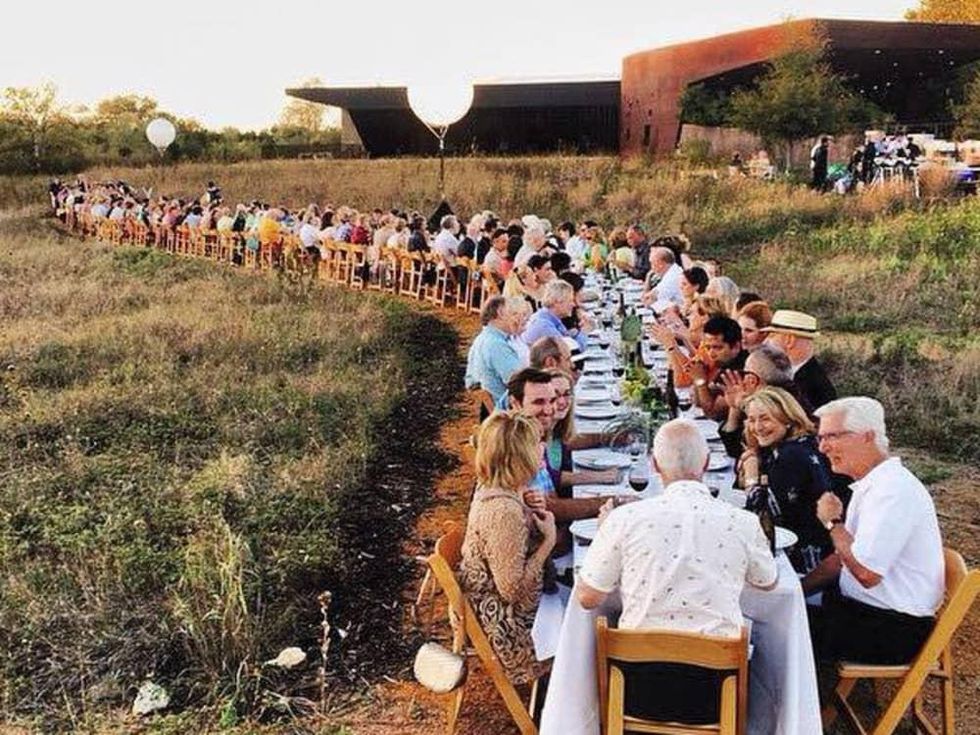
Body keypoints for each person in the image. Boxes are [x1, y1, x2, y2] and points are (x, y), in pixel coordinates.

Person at [577, 419, 777, 724]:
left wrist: (605, 536)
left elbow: (588, 598)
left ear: (655, 465)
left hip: (637, 690)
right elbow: (768, 581)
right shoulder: (742, 521)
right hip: (714, 692)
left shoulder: (625, 519)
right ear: (707, 463)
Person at [804, 397, 944, 666]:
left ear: (867, 436)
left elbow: (866, 574)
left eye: (831, 436)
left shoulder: (893, 491)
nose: (822, 447)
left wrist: (833, 523)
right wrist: (798, 590)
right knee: (782, 615)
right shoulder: (872, 482)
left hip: (891, 628)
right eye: (820, 438)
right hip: (864, 611)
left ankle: (791, 706)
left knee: (774, 632)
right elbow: (842, 558)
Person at [458, 410, 556, 686]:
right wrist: (547, 542)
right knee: (584, 624)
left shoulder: (498, 488)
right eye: (536, 444)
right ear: (518, 458)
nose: (542, 449)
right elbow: (511, 591)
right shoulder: (502, 511)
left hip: (496, 606)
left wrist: (528, 508)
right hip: (506, 625)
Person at [738, 387, 835, 575]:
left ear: (788, 419)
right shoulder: (801, 443)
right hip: (810, 547)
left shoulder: (790, 456)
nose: (757, 427)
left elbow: (758, 515)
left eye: (765, 418)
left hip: (805, 564)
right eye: (751, 420)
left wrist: (750, 471)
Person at [762, 310, 837, 410]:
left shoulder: (813, 385)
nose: (765, 341)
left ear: (789, 340)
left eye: (772, 335)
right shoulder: (792, 374)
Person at [465, 296, 523, 403]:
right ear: (500, 314)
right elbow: (520, 382)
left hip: (493, 407)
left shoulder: (482, 338)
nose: (516, 319)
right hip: (506, 410)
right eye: (512, 313)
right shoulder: (496, 345)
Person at [521, 280, 587, 352]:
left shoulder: (550, 317)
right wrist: (584, 331)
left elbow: (565, 338)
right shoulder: (544, 324)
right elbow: (572, 350)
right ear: (557, 302)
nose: (573, 304)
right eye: (570, 301)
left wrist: (575, 333)